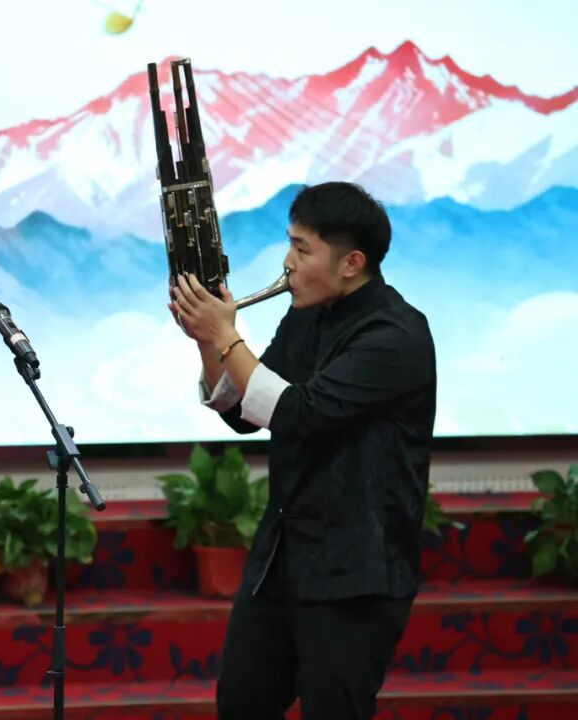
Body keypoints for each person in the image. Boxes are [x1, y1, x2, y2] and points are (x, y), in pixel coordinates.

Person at [169, 181, 436, 720]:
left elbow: (297, 414)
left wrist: (227, 336)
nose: (287, 263)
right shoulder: (307, 313)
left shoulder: (396, 335)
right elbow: (246, 410)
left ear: (352, 263)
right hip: (283, 560)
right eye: (289, 244)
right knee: (241, 704)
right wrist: (208, 340)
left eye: (301, 249)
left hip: (356, 572)